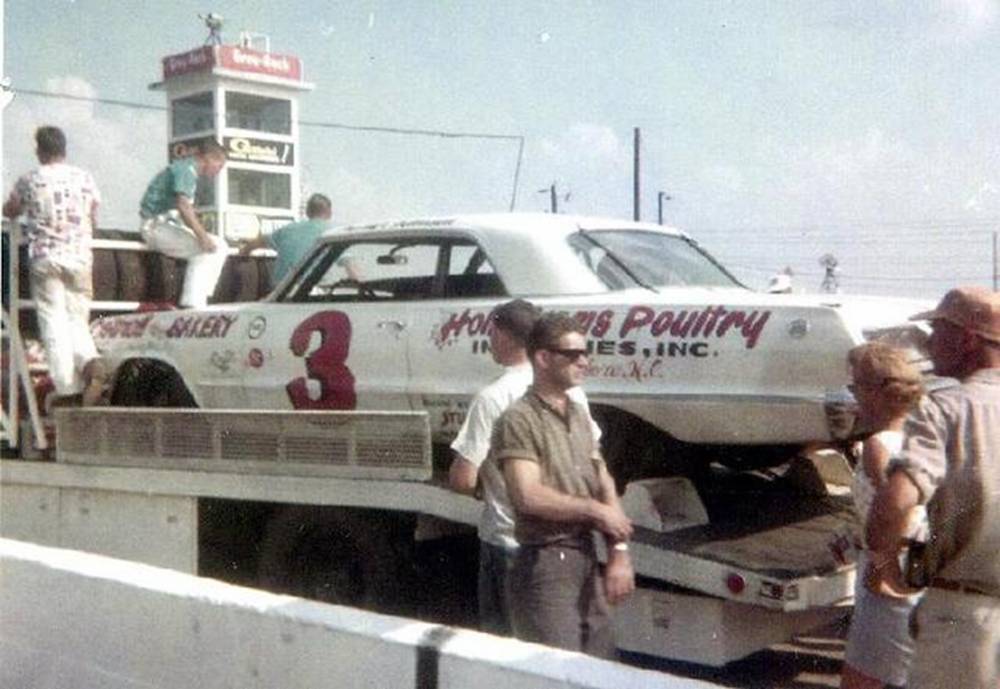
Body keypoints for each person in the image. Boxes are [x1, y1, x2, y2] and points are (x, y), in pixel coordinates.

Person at [866, 286, 1000, 689]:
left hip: (965, 618)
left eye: (936, 329)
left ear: (967, 339)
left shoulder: (946, 407)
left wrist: (884, 565)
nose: (928, 341)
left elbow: (898, 500)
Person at [448, 299, 600, 635]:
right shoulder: (571, 392)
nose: (490, 341)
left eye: (492, 333)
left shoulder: (493, 397)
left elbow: (463, 478)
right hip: (561, 541)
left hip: (508, 543)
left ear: (504, 337)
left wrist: (484, 486)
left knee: (504, 644)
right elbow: (592, 458)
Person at [492, 312, 634, 657]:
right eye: (573, 354)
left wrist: (618, 553)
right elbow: (527, 495)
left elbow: (603, 481)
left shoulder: (579, 414)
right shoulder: (518, 419)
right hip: (544, 561)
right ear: (542, 358)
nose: (584, 362)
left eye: (587, 353)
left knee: (602, 668)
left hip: (585, 555)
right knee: (557, 669)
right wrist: (595, 511)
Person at [840, 342, 924, 689]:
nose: (851, 395)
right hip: (913, 567)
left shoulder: (879, 445)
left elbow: (900, 513)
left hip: (888, 570)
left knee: (863, 679)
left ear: (877, 394)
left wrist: (878, 565)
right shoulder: (917, 439)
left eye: (855, 386)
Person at [3, 126, 106, 406]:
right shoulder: (84, 178)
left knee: (54, 326)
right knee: (76, 321)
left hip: (46, 258)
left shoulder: (30, 179)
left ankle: (67, 390)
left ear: (39, 151)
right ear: (64, 149)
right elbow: (94, 216)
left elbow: (10, 210)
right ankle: (90, 361)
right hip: (80, 258)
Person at [139, 139, 229, 308]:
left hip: (164, 225)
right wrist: (202, 236)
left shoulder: (184, 169)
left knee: (219, 245)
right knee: (207, 249)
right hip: (156, 227)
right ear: (209, 158)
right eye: (219, 165)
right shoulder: (187, 170)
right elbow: (183, 205)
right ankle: (193, 303)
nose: (218, 171)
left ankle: (199, 299)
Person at [239, 193, 332, 286]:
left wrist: (245, 251)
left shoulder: (288, 229)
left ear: (307, 212)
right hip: (310, 290)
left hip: (281, 292)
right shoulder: (331, 233)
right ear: (329, 213)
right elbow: (346, 262)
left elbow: (260, 242)